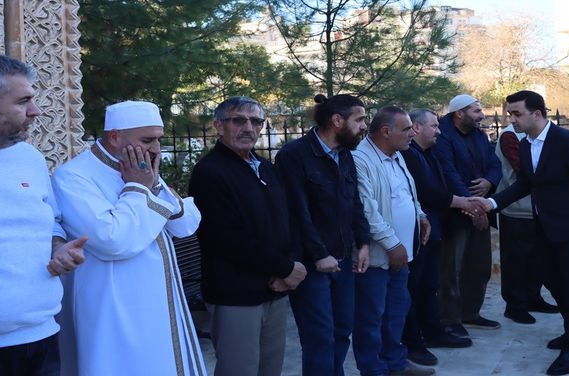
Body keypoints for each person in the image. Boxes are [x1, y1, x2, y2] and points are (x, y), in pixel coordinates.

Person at [52, 100, 206, 375]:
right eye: (147, 140)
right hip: (113, 305)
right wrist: (138, 188)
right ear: (114, 137)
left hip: (159, 299)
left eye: (159, 139)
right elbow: (113, 240)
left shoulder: (144, 170)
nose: (156, 148)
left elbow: (185, 227)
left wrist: (151, 184)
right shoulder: (74, 177)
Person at [0, 53, 86, 375]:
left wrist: (58, 248)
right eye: (23, 101)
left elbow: (50, 222)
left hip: (43, 338)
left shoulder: (30, 158)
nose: (35, 111)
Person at [483, 90, 569, 376]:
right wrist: (492, 202)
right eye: (510, 113)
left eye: (516, 114)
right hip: (543, 229)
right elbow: (525, 184)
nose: (510, 119)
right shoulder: (526, 145)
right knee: (549, 279)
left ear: (536, 113)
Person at [189, 97, 307, 376]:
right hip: (235, 294)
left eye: (256, 121)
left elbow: (285, 222)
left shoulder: (265, 167)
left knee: (270, 369)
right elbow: (227, 238)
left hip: (275, 289)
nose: (248, 127)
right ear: (218, 126)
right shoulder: (210, 172)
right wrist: (285, 268)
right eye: (238, 120)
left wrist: (286, 269)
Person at [275, 94, 371, 376]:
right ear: (337, 120)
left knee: (342, 332)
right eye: (360, 119)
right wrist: (319, 254)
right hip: (311, 266)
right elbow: (297, 213)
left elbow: (354, 202)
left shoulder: (345, 155)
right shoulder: (294, 156)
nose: (364, 126)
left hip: (342, 261)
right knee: (319, 338)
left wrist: (363, 243)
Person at [351, 106, 434, 376]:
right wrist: (392, 243)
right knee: (371, 317)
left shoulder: (397, 155)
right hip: (377, 256)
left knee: (396, 312)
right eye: (406, 129)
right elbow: (366, 209)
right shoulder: (360, 158)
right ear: (386, 131)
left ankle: (395, 363)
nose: (412, 133)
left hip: (402, 253)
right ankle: (374, 369)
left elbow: (408, 193)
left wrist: (421, 216)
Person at [400, 109, 479, 366]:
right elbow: (427, 192)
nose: (439, 130)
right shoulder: (408, 155)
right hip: (416, 232)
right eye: (433, 126)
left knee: (429, 285)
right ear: (416, 128)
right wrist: (462, 202)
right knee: (414, 288)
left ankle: (432, 331)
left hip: (434, 229)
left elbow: (443, 184)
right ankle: (413, 342)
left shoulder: (429, 153)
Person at [432, 94, 503, 337]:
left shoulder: (479, 135)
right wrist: (472, 206)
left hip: (479, 209)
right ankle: (449, 319)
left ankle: (470, 313)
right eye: (476, 111)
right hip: (455, 214)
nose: (482, 115)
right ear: (459, 113)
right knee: (451, 271)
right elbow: (449, 174)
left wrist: (488, 181)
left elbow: (495, 165)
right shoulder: (442, 136)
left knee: (479, 266)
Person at [494, 122, 560, 324]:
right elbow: (524, 168)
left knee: (536, 259)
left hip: (535, 208)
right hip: (516, 208)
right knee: (516, 261)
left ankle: (533, 298)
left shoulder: (536, 134)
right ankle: (515, 306)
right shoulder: (510, 136)